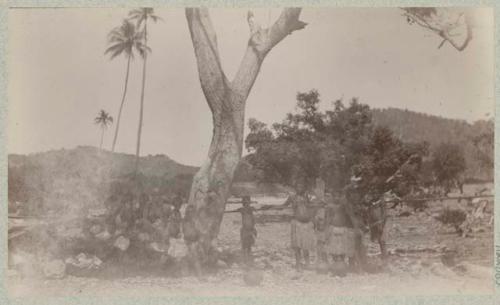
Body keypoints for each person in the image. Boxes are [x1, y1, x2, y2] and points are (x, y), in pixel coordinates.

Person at [283, 181, 315, 271]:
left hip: (306, 224)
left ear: (304, 188)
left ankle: (307, 263)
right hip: (297, 223)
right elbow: (284, 205)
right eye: (298, 186)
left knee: (306, 245)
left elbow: (311, 206)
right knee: (297, 245)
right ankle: (298, 264)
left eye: (302, 186)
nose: (300, 188)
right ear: (295, 188)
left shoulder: (307, 197)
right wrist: (270, 207)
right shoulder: (292, 197)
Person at [325, 194, 356, 276]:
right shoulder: (329, 206)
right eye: (335, 196)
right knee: (334, 248)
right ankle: (335, 268)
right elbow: (328, 218)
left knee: (342, 248)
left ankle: (342, 268)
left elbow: (350, 215)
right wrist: (327, 229)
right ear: (332, 197)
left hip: (343, 228)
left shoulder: (344, 206)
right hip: (333, 228)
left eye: (338, 196)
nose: (337, 197)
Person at [236, 195, 257, 264]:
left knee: (250, 241)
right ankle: (245, 254)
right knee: (244, 241)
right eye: (245, 202)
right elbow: (238, 210)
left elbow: (253, 217)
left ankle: (248, 251)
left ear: (249, 202)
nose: (246, 203)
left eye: (247, 202)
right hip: (245, 227)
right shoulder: (242, 209)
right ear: (243, 203)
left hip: (250, 227)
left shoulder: (251, 209)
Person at [182, 204, 202, 276]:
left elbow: (200, 235)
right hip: (185, 242)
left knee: (194, 252)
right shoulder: (183, 222)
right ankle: (189, 271)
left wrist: (197, 242)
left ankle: (199, 273)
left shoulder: (196, 222)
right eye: (188, 212)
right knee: (187, 252)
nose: (190, 214)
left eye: (192, 212)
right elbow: (182, 233)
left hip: (194, 242)